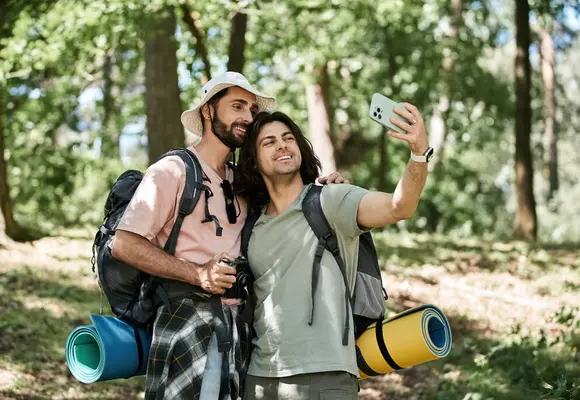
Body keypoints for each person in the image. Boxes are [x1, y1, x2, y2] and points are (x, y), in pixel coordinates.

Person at [111, 72, 346, 400]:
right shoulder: (172, 171)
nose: (248, 118)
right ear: (208, 110)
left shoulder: (244, 181)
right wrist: (197, 273)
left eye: (251, 110)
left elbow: (287, 199)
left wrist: (321, 188)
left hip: (240, 330)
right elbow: (123, 244)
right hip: (185, 321)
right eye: (237, 106)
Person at [234, 108, 432, 400]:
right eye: (269, 141)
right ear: (253, 161)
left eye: (288, 138)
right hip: (260, 379)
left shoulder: (331, 200)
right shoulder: (251, 224)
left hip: (325, 376)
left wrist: (418, 153)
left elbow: (399, 206)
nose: (282, 145)